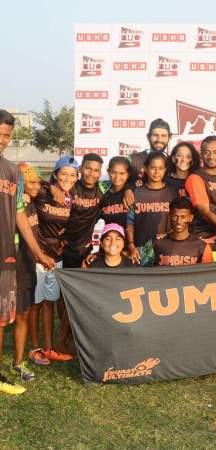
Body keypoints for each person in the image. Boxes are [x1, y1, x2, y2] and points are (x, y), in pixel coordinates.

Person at [0, 110, 55, 395]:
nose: (2, 140)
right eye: (0, 134)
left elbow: (20, 214)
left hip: (9, 255)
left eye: (7, 135)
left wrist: (38, 253)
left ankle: (12, 367)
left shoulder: (12, 172)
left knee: (7, 314)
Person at [29, 156, 78, 364]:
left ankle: (49, 348)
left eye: (72, 175)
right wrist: (50, 187)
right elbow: (27, 179)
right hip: (37, 256)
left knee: (49, 302)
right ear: (55, 175)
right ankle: (35, 348)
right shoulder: (42, 192)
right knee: (35, 304)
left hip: (56, 257)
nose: (68, 179)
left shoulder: (71, 197)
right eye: (63, 174)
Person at [11, 164, 42, 380]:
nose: (36, 186)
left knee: (23, 314)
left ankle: (18, 362)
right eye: (30, 182)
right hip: (7, 266)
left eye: (38, 182)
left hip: (27, 266)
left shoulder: (34, 202)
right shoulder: (9, 204)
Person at [126, 152, 177, 266]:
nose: (157, 172)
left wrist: (169, 234)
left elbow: (179, 219)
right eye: (153, 168)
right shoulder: (136, 192)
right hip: (141, 251)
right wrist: (131, 245)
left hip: (167, 250)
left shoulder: (173, 192)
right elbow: (130, 222)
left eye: (161, 168)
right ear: (145, 168)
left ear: (165, 170)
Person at [62, 153, 106, 269]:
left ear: (100, 173)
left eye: (96, 170)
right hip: (64, 247)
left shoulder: (103, 190)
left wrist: (128, 189)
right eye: (88, 168)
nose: (91, 173)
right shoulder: (69, 187)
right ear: (80, 168)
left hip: (86, 248)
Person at [153, 197, 214, 266]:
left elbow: (209, 272)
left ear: (190, 218)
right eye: (175, 216)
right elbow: (143, 268)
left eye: (183, 217)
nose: (179, 221)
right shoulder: (156, 244)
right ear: (169, 215)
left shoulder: (203, 247)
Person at [129, 118, 172, 182]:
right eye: (155, 135)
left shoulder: (172, 162)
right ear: (148, 136)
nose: (159, 140)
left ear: (170, 137)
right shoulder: (132, 159)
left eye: (163, 136)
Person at [99, 156, 132, 229]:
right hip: (108, 234)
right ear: (108, 172)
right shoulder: (102, 193)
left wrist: (129, 189)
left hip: (130, 235)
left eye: (122, 173)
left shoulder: (133, 192)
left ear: (128, 174)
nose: (117, 176)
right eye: (113, 172)